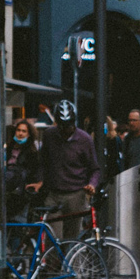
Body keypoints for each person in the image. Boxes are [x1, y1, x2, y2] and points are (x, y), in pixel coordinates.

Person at [38, 100, 101, 241]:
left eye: (69, 126)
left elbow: (95, 169)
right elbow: (43, 162)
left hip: (76, 194)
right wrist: (40, 180)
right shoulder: (49, 135)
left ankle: (71, 263)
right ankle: (53, 262)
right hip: (54, 193)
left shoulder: (85, 139)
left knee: (72, 238)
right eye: (62, 127)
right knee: (53, 238)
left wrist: (92, 184)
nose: (66, 130)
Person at [4, 119, 42, 222]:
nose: (20, 133)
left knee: (17, 223)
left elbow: (36, 171)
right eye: (18, 130)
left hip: (20, 194)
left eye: (24, 131)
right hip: (6, 191)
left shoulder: (32, 152)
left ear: (29, 134)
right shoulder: (8, 148)